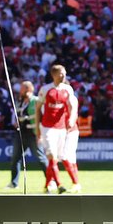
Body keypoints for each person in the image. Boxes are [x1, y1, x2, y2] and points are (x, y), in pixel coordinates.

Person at [37, 64, 78, 193]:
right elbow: (38, 109)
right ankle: (59, 185)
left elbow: (72, 106)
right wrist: (38, 128)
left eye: (64, 73)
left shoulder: (68, 89)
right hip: (48, 128)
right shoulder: (45, 89)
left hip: (62, 129)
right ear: (54, 75)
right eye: (61, 74)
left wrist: (71, 119)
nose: (63, 76)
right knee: (52, 157)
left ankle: (47, 185)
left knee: (56, 158)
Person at [8, 81, 48, 190]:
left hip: (33, 133)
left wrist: (39, 132)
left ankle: (51, 180)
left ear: (28, 89)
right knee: (15, 158)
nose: (20, 91)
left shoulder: (35, 101)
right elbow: (16, 115)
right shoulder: (20, 102)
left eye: (22, 88)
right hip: (20, 133)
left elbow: (41, 115)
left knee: (41, 158)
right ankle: (13, 183)